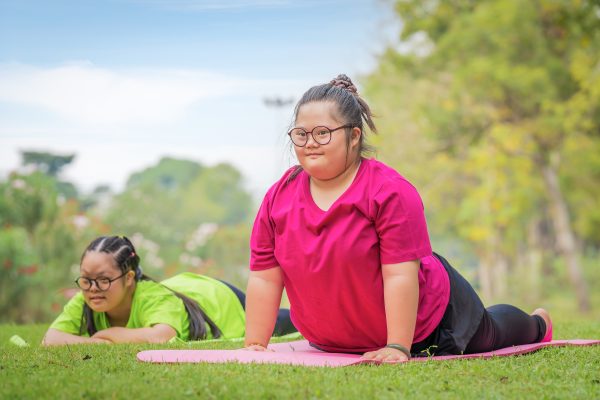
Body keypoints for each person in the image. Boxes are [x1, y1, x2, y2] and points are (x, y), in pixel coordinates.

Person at [243, 74, 552, 361]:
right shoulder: (277, 197)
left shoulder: (389, 191)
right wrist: (255, 344)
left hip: (427, 322)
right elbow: (265, 276)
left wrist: (396, 346)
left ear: (354, 136)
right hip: (332, 340)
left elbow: (399, 275)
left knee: (493, 332)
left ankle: (538, 324)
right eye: (301, 134)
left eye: (323, 133)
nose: (310, 142)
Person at [43, 235, 296, 345]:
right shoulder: (86, 298)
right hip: (187, 289)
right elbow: (51, 339)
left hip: (219, 300)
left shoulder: (152, 297)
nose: (93, 289)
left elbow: (160, 337)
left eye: (104, 280)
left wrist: (107, 334)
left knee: (295, 320)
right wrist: (101, 345)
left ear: (129, 277)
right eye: (86, 280)